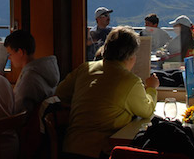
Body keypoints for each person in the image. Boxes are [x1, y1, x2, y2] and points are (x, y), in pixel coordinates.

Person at [56, 26, 159, 158]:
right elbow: (146, 110)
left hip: (69, 148)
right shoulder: (129, 81)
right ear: (131, 56)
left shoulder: (85, 68)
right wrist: (151, 88)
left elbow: (61, 92)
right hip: (100, 152)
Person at [4, 29, 60, 114]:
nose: (9, 58)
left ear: (20, 52)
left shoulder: (30, 78)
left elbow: (16, 110)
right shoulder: (43, 71)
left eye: (10, 54)